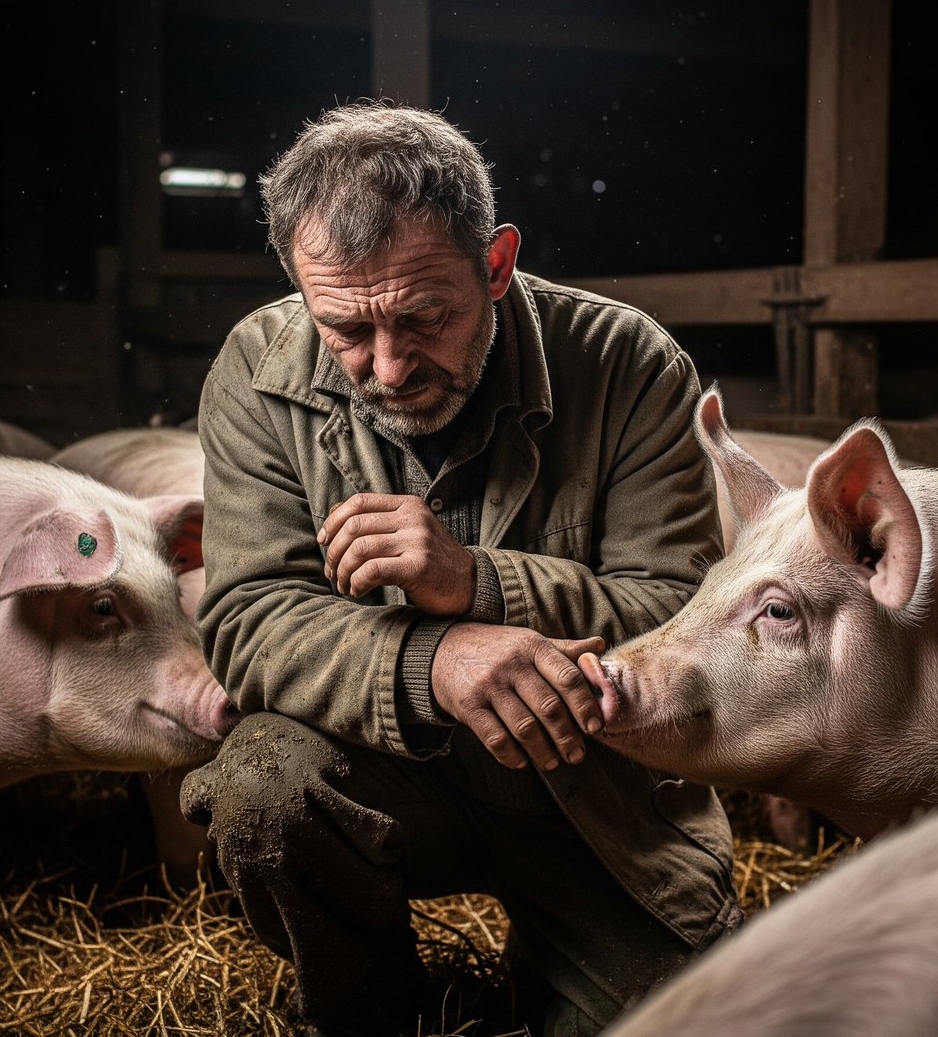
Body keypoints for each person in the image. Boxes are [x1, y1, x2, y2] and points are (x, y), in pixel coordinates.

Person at [181, 100, 740, 1037]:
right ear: (298, 284)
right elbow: (246, 614)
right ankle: (373, 1011)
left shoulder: (630, 362)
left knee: (696, 1015)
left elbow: (685, 612)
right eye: (346, 331)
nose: (390, 367)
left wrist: (474, 580)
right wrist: (436, 658)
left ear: (496, 264)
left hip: (595, 796)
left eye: (424, 317)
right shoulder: (256, 368)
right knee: (261, 788)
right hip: (392, 771)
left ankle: (553, 966)